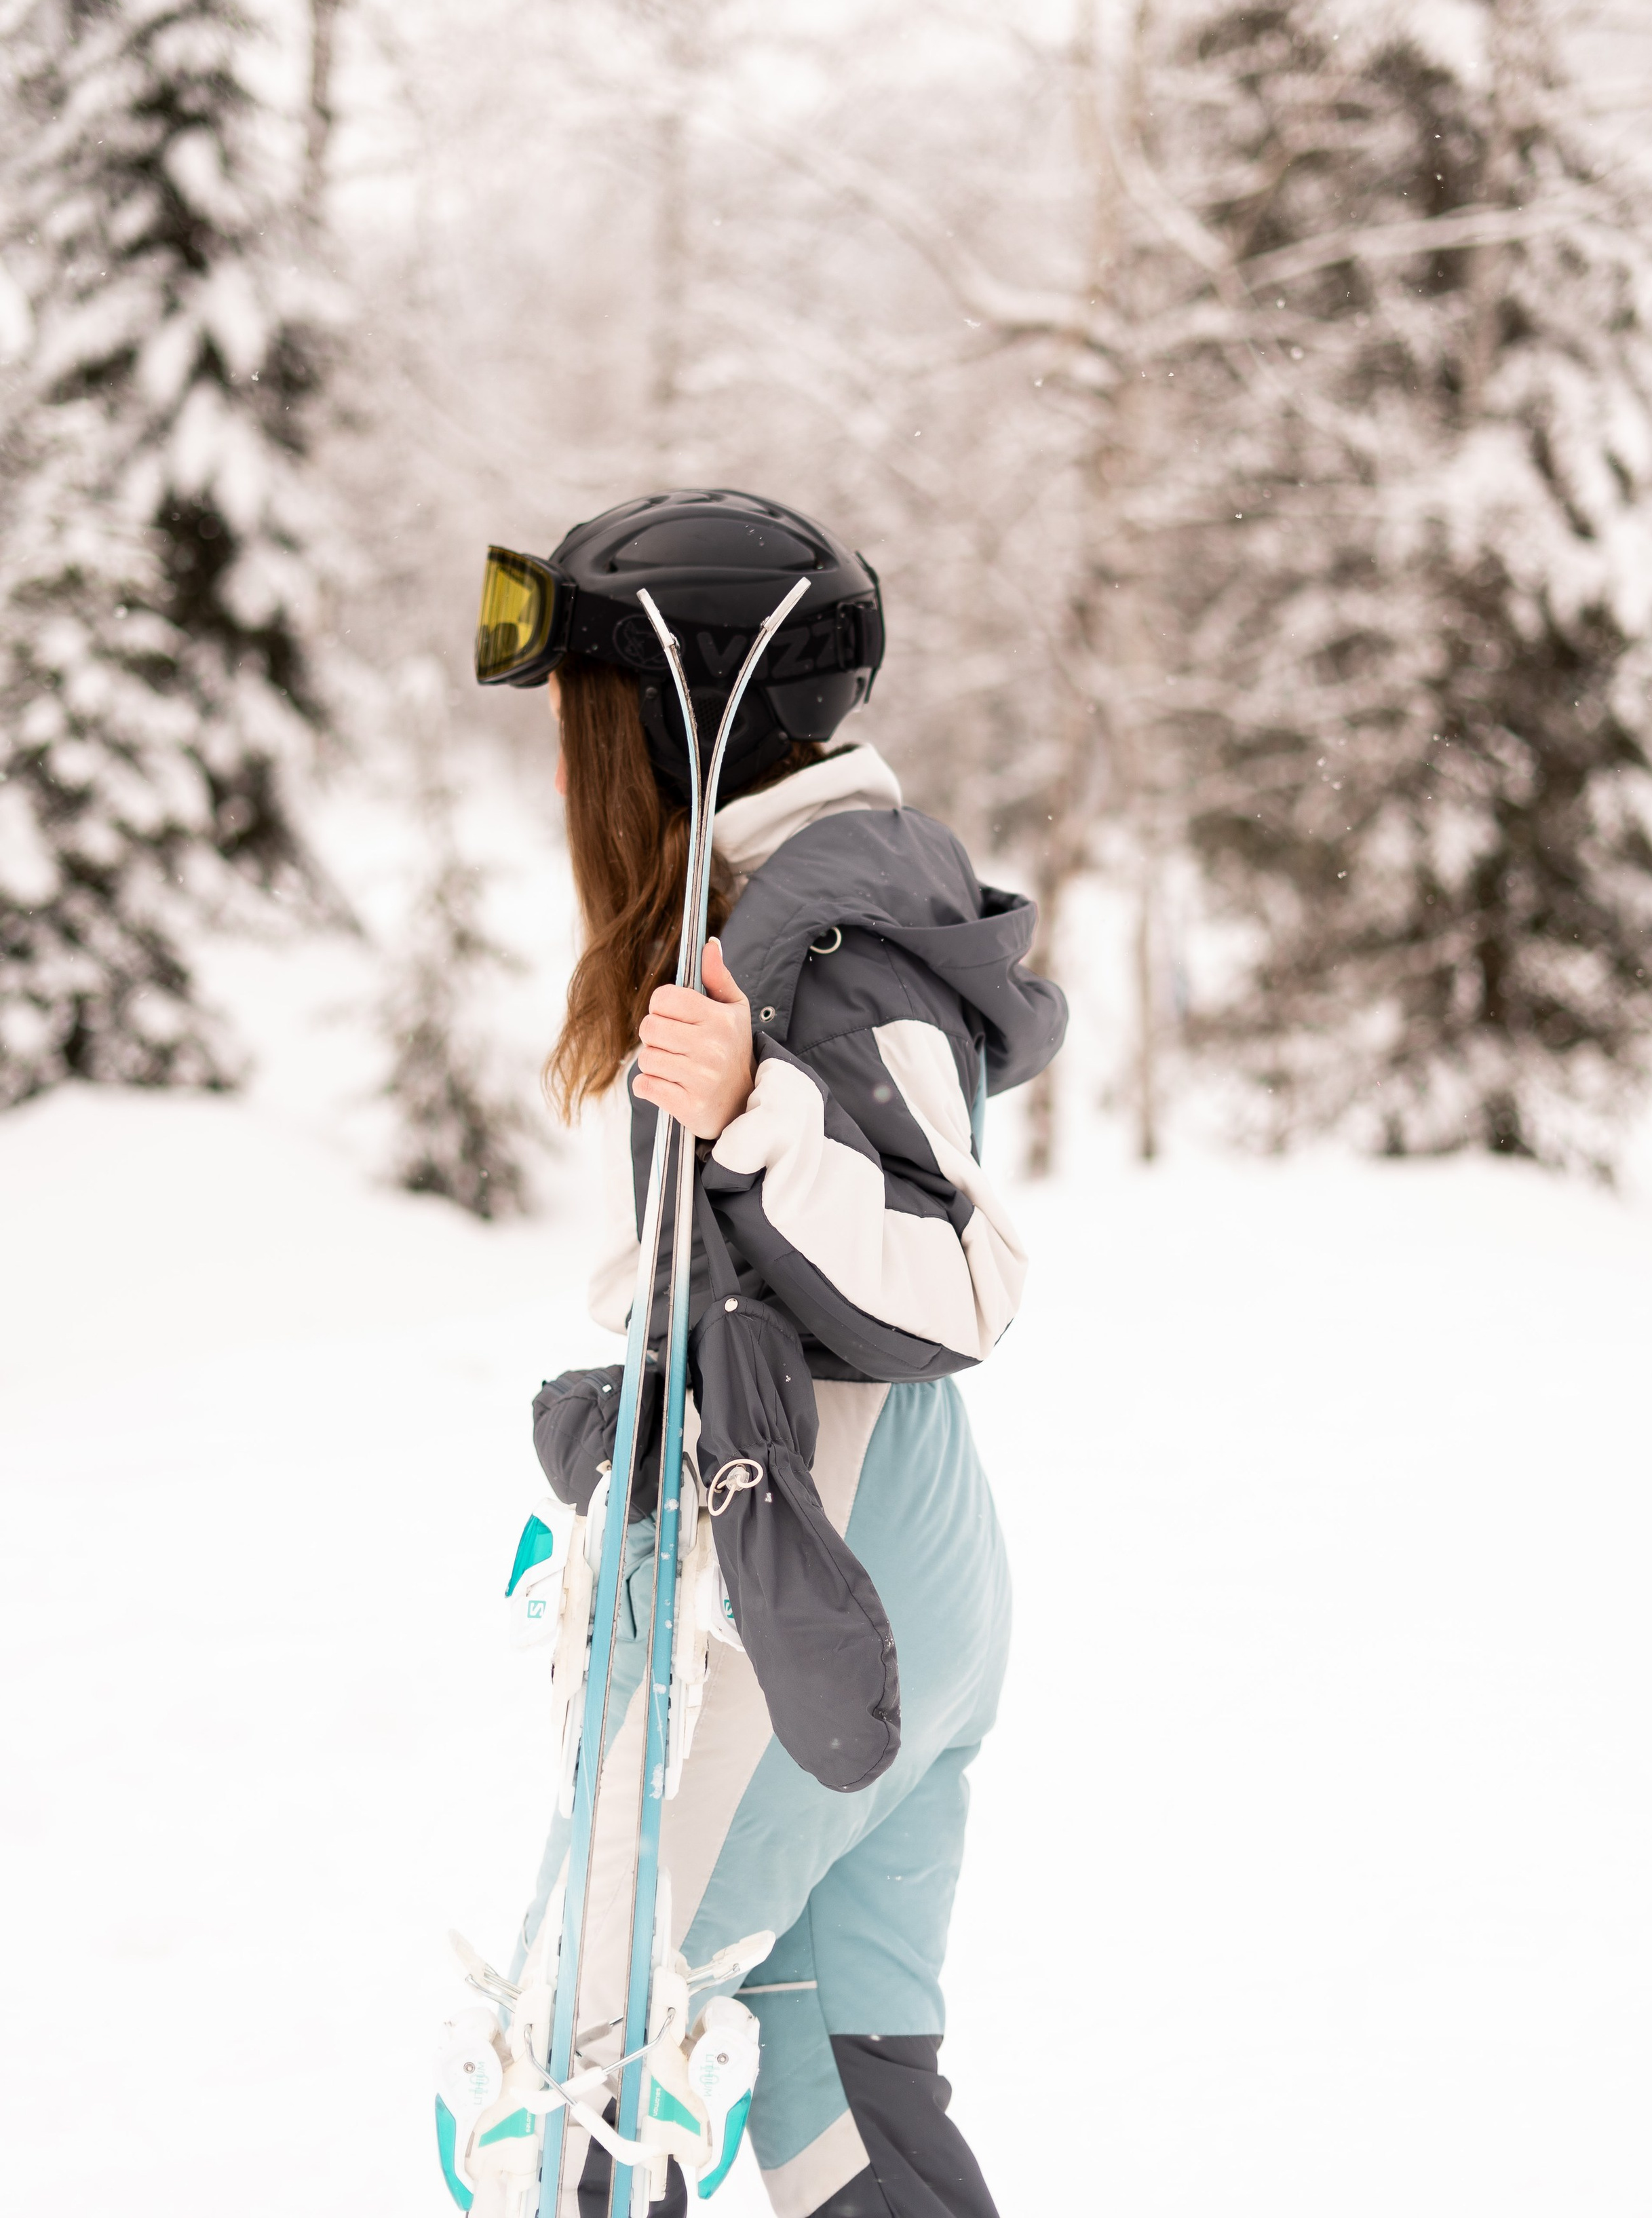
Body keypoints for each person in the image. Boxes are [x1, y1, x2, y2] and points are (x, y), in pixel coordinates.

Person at [475, 491, 1065, 2218]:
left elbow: (961, 1292)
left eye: (587, 728)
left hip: (816, 1599)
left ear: (672, 718)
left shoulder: (827, 942)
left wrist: (758, 1120)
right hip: (861, 1579)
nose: (570, 775)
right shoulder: (763, 914)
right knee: (837, 2114)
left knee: (574, 2077)